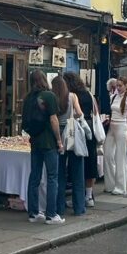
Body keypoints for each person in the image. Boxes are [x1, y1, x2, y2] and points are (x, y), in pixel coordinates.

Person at [21, 70, 64, 224]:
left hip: (35, 141)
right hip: (49, 142)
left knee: (35, 176)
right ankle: (51, 214)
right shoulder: (49, 96)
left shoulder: (28, 98)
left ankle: (33, 213)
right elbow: (53, 119)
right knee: (52, 177)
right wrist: (59, 140)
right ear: (44, 80)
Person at [52, 74, 85, 218]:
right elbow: (79, 113)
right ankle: (79, 207)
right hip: (71, 133)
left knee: (59, 173)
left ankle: (59, 208)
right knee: (77, 171)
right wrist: (72, 118)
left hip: (58, 134)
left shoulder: (52, 97)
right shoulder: (72, 96)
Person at [64, 71, 97, 210]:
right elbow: (96, 111)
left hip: (77, 129)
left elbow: (77, 113)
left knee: (77, 163)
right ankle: (89, 196)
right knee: (90, 162)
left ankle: (79, 198)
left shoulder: (72, 95)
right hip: (89, 128)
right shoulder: (89, 94)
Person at [103, 78, 127, 195]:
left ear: (126, 85)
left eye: (120, 85)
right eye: (117, 86)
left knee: (120, 157)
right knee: (107, 154)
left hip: (122, 126)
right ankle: (110, 184)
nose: (118, 88)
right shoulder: (114, 97)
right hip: (112, 126)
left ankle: (120, 187)